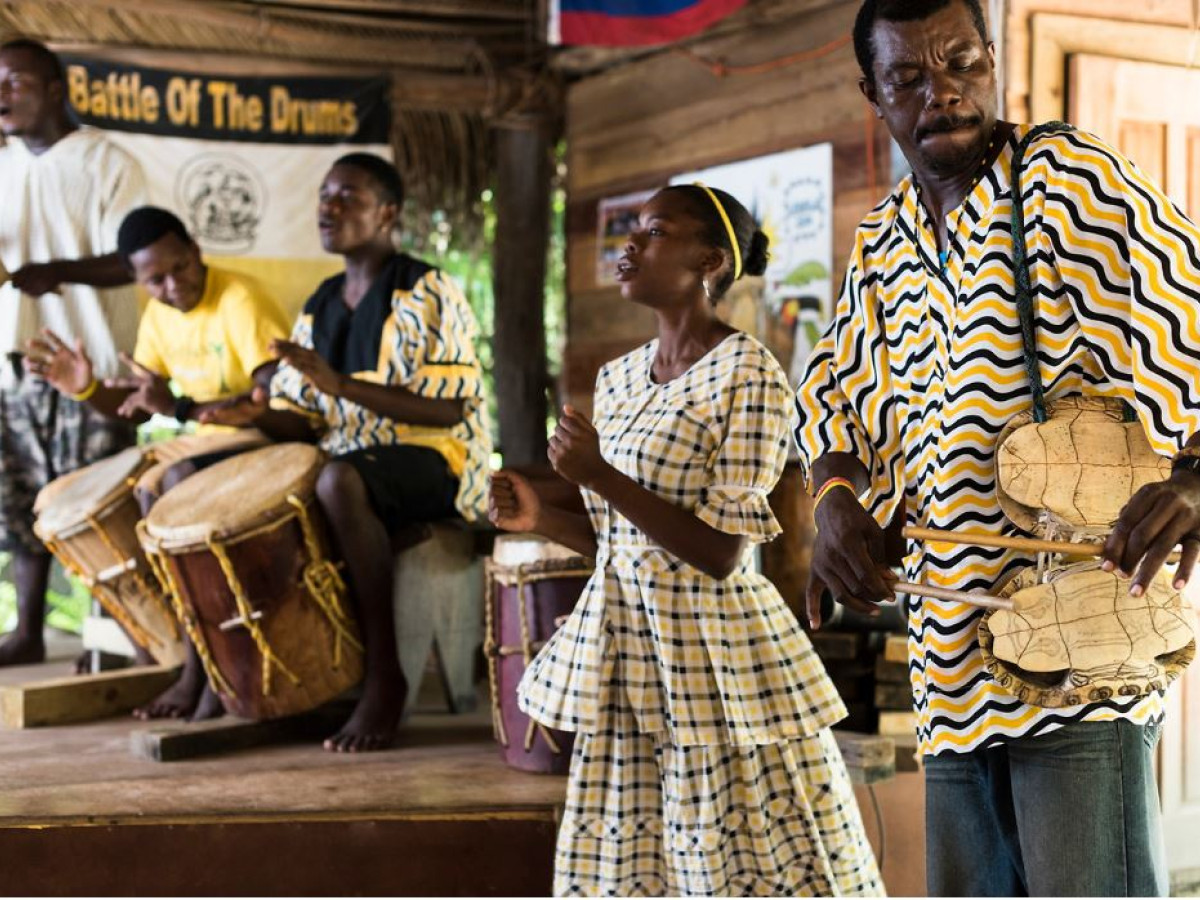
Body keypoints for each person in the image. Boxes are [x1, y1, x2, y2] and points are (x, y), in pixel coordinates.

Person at [794, 0, 1200, 895]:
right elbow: (832, 404)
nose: (943, 93)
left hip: (1078, 658)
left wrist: (1197, 481)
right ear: (874, 92)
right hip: (949, 668)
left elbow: (1192, 317)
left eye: (963, 63)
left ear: (993, 60)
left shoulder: (1067, 182)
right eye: (909, 77)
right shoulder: (884, 243)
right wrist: (832, 506)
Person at [490, 185, 883, 897]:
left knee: (739, 859)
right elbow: (621, 541)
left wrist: (596, 473)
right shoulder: (615, 381)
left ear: (709, 259)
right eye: (632, 231)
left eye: (655, 232)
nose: (630, 246)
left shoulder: (749, 374)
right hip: (628, 650)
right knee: (637, 861)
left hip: (713, 661)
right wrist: (539, 518)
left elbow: (722, 553)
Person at [202, 152, 492, 753]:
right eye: (325, 196)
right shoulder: (322, 302)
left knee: (337, 483)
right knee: (212, 476)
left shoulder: (427, 289)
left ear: (387, 213)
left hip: (436, 459)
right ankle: (250, 672)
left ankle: (384, 674)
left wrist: (341, 386)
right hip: (350, 457)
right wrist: (256, 415)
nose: (328, 208)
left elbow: (450, 409)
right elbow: (307, 420)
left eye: (347, 197)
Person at [24, 205, 291, 718]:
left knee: (165, 484)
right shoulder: (158, 317)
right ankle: (167, 648)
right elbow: (137, 408)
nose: (173, 286)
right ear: (136, 280)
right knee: (79, 499)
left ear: (196, 250)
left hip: (263, 440)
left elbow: (270, 404)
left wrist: (181, 409)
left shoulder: (241, 299)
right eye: (155, 280)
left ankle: (203, 668)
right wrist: (86, 388)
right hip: (203, 441)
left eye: (180, 268)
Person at [0, 38, 147, 666]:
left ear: (55, 89)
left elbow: (138, 260)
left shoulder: (108, 161)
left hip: (92, 365)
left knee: (93, 504)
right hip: (15, 362)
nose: (1, 96)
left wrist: (56, 269)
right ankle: (28, 631)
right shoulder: (2, 165)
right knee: (21, 500)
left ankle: (113, 638)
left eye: (14, 83)